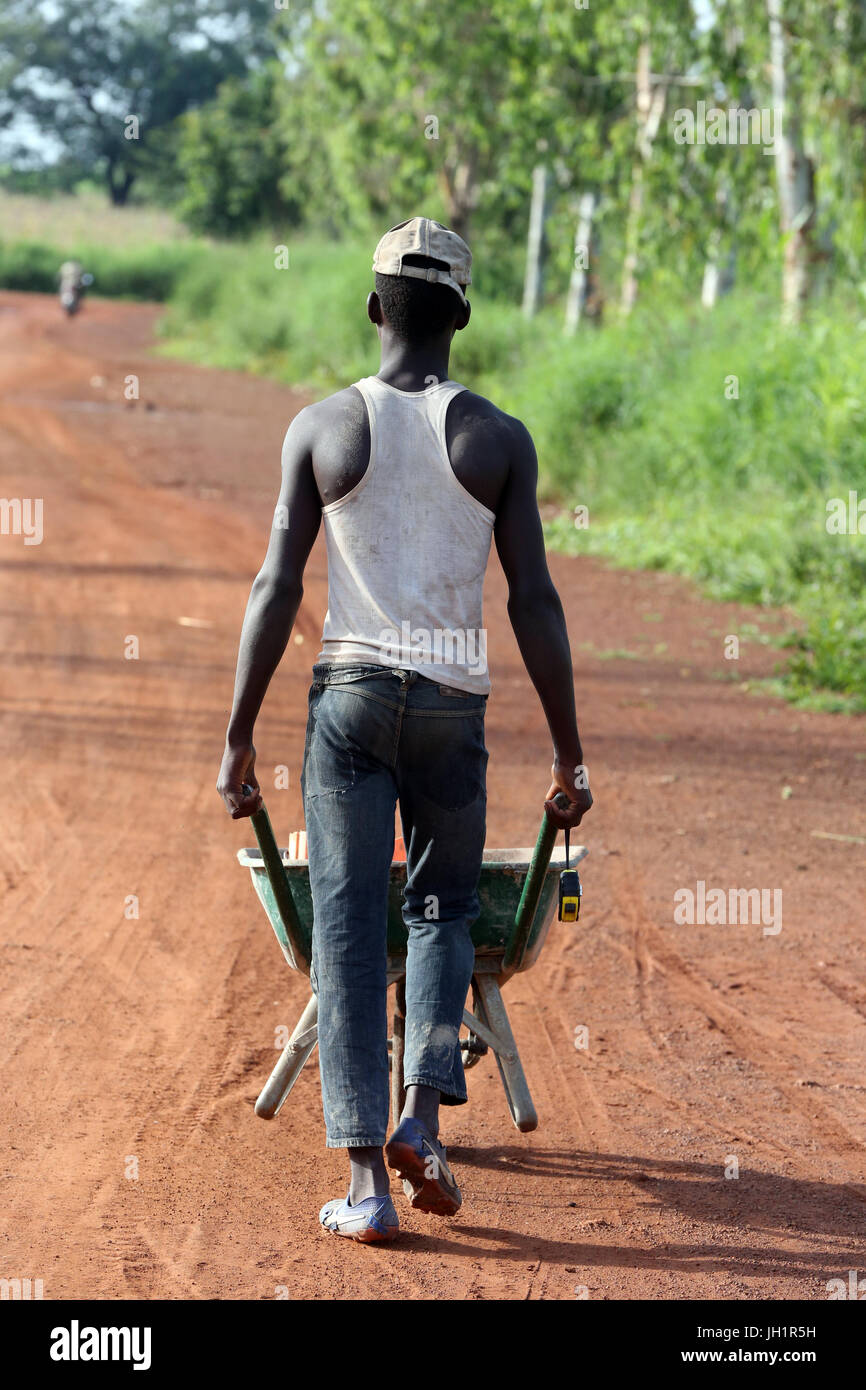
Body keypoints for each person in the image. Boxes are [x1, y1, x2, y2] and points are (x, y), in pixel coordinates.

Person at [217, 217, 592, 1243]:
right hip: (448, 704)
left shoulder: (320, 427)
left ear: (375, 307)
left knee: (343, 931)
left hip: (346, 698)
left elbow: (273, 581)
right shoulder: (498, 439)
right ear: (459, 316)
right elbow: (535, 606)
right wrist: (567, 753)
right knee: (441, 911)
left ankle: (365, 1186)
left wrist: (237, 736)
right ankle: (420, 1118)